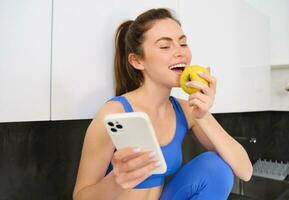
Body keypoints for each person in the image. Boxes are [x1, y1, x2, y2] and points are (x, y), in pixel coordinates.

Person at [73, 8, 253, 200]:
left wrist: (203, 116)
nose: (180, 52)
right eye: (165, 46)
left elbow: (245, 171)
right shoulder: (114, 113)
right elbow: (80, 196)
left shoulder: (186, 110)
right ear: (137, 61)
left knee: (215, 167)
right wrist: (116, 181)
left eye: (183, 43)